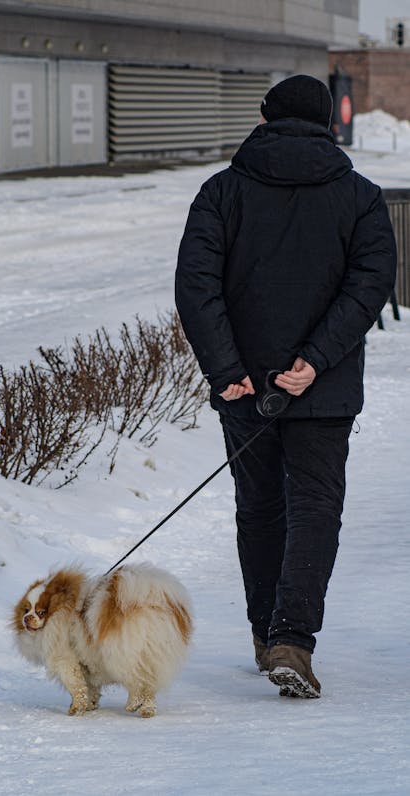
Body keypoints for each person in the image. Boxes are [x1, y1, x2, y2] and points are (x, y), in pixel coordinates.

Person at [175, 74, 397, 698]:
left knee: (261, 507)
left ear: (265, 117)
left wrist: (228, 370)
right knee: (315, 507)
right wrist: (317, 360)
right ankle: (292, 640)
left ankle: (263, 634)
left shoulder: (221, 192)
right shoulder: (361, 197)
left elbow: (197, 284)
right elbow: (371, 283)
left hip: (246, 386)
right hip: (322, 388)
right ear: (329, 121)